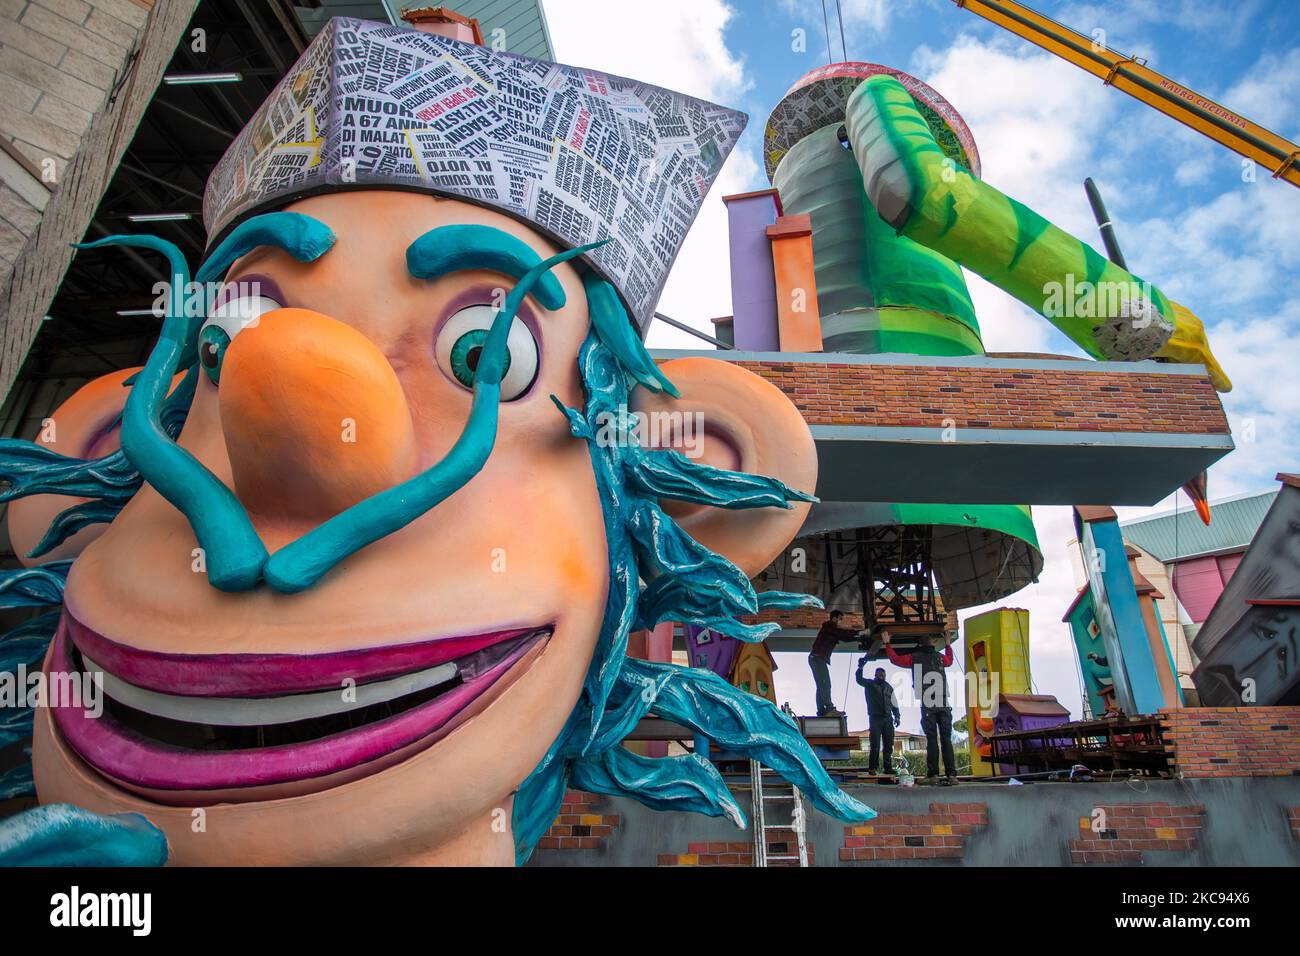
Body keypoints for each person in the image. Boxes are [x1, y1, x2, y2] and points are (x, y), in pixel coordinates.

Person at [883, 632, 958, 786]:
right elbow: (949, 661)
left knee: (932, 740)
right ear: (932, 644)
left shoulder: (915, 657)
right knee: (946, 739)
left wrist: (887, 643)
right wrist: (948, 643)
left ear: (919, 643)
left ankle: (933, 774)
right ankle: (952, 775)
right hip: (944, 702)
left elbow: (895, 659)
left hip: (928, 703)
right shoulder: (940, 658)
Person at [809, 610, 858, 716]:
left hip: (816, 659)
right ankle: (829, 709)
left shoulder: (831, 629)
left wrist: (858, 636)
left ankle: (822, 711)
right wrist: (859, 632)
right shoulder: (829, 626)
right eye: (840, 619)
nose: (841, 621)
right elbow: (842, 634)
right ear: (834, 618)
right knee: (826, 684)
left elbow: (844, 637)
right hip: (817, 659)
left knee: (821, 685)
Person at [856, 658, 900, 774]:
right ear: (876, 675)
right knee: (875, 744)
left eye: (883, 674)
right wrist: (860, 668)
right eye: (879, 674)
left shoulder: (889, 687)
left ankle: (888, 767)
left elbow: (894, 703)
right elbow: (859, 680)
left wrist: (897, 716)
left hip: (888, 718)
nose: (882, 676)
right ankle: (873, 768)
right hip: (875, 718)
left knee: (888, 745)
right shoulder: (870, 684)